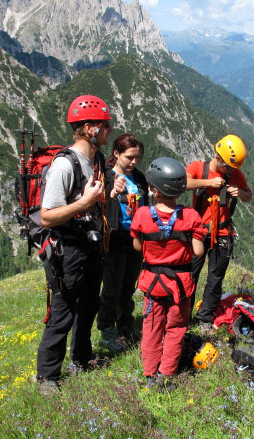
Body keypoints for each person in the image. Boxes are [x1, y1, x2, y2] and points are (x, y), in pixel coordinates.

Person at [35, 95, 125, 396]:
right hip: (69, 250)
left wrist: (109, 195)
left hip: (92, 246)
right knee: (63, 312)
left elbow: (93, 204)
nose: (109, 130)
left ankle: (83, 359)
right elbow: (47, 217)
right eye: (105, 125)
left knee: (89, 305)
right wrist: (85, 202)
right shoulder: (65, 165)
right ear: (89, 128)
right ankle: (47, 376)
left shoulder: (97, 160)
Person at [130, 157, 205, 389]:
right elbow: (198, 251)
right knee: (176, 327)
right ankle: (167, 373)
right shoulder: (191, 216)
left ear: (154, 190)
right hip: (180, 284)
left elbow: (137, 247)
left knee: (152, 327)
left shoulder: (142, 215)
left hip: (153, 282)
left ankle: (150, 374)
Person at [186, 135, 253, 332]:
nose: (230, 171)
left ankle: (205, 318)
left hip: (223, 231)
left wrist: (239, 193)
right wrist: (208, 183)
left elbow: (249, 195)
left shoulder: (235, 175)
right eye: (228, 167)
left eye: (232, 168)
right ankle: (184, 314)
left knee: (215, 278)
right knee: (190, 274)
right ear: (217, 156)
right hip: (199, 231)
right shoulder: (198, 168)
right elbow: (183, 183)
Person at [97, 134, 148, 352]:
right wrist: (112, 192)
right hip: (115, 238)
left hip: (135, 237)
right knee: (112, 286)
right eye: (129, 157)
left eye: (137, 157)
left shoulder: (138, 177)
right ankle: (107, 329)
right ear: (116, 154)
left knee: (128, 285)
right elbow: (98, 203)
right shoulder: (107, 177)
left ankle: (125, 324)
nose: (134, 161)